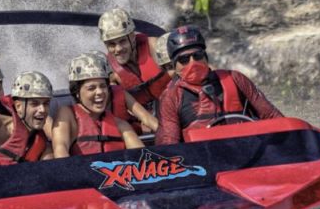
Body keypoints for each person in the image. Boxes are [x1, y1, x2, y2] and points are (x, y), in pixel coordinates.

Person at [155, 26, 283, 146]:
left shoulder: (235, 78)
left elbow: (274, 117)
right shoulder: (170, 98)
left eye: (197, 55)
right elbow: (169, 146)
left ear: (205, 57)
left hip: (251, 152)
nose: (193, 62)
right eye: (184, 60)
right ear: (175, 66)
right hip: (205, 163)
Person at [52, 53, 143, 157]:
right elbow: (60, 149)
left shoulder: (121, 125)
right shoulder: (67, 115)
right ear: (77, 92)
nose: (100, 92)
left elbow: (141, 157)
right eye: (91, 88)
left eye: (103, 86)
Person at [98, 8, 171, 108]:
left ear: (132, 36)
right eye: (111, 44)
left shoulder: (154, 46)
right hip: (144, 118)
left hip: (173, 104)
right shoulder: (108, 70)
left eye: (122, 41)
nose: (118, 49)